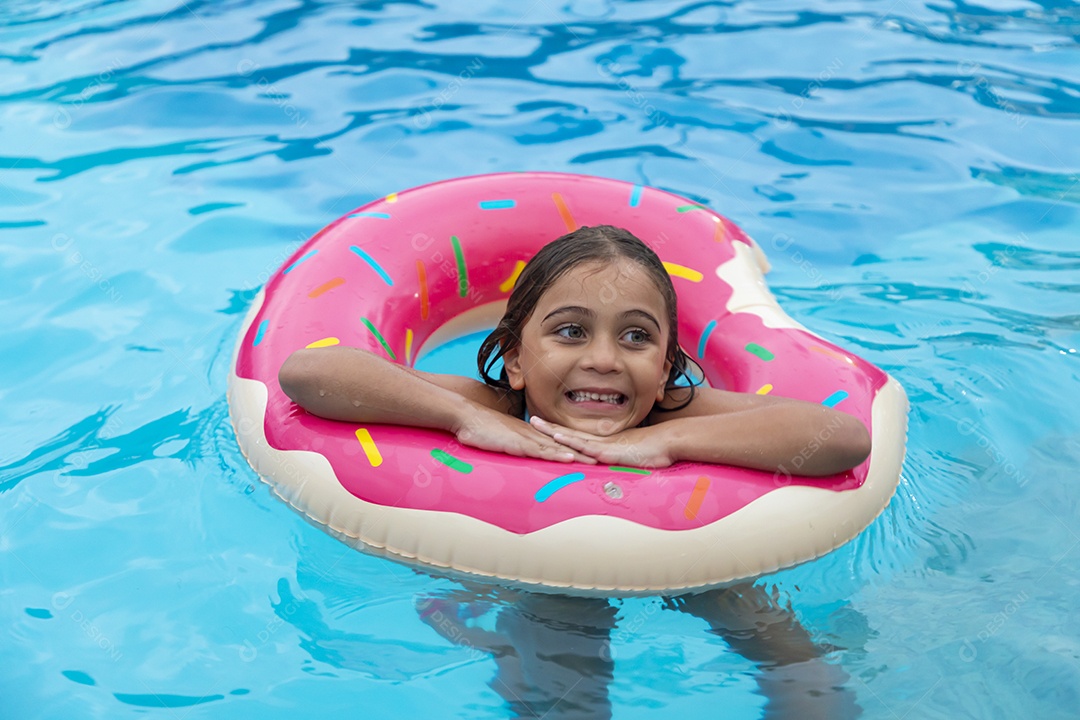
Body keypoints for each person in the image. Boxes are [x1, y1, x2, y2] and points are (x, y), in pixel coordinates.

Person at [278, 225, 870, 475]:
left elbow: (842, 438)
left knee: (771, 637)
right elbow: (309, 372)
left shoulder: (671, 411)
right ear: (516, 359)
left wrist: (667, 440)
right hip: (530, 557)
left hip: (693, 557)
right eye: (570, 332)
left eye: (637, 337)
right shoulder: (497, 408)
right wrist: (461, 417)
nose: (604, 360)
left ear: (666, 366)